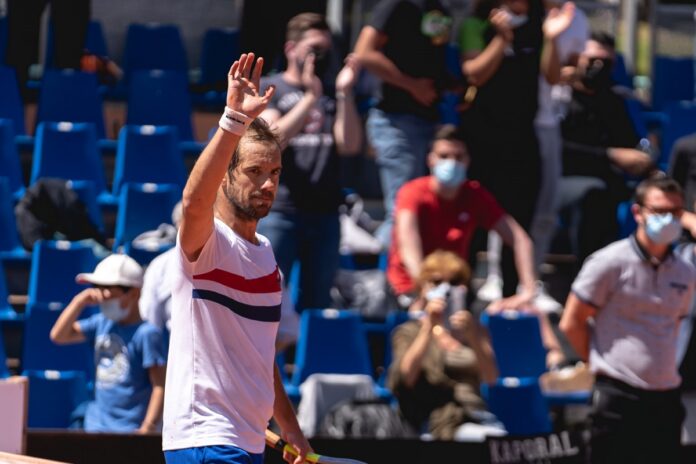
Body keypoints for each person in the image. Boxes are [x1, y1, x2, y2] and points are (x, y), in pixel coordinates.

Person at [162, 53, 311, 464]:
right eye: (254, 171)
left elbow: (259, 358)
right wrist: (233, 120)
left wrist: (291, 428)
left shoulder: (267, 258)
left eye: (274, 173)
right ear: (226, 175)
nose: (267, 184)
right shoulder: (208, 243)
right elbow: (193, 202)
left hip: (244, 442)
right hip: (207, 438)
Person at [559, 176, 695, 463]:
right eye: (659, 211)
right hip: (617, 396)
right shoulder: (609, 262)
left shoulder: (685, 272)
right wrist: (601, 365)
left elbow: (676, 325)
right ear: (638, 213)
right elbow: (572, 322)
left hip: (665, 398)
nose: (667, 220)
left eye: (675, 212)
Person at [458, 0, 574, 299]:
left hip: (522, 140)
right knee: (473, 225)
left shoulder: (538, 27)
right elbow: (474, 73)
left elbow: (552, 77)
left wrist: (551, 38)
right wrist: (502, 38)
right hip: (482, 141)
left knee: (518, 222)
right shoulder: (476, 25)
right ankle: (462, 300)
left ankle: (511, 298)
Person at [258, 12, 362, 310]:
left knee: (318, 302)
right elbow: (272, 140)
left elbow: (350, 144)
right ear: (291, 49)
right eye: (314, 49)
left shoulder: (332, 93)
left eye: (326, 50)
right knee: (266, 297)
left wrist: (344, 93)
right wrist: (309, 98)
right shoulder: (270, 88)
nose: (320, 57)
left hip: (325, 212)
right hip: (281, 210)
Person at [387, 124, 536, 312]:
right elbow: (408, 245)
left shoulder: (474, 195)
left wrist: (528, 290)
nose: (451, 163)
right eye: (444, 156)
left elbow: (520, 239)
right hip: (410, 289)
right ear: (430, 159)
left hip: (453, 288)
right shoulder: (412, 192)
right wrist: (425, 288)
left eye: (458, 157)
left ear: (467, 160)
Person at [353, 0, 452, 248]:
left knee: (424, 211)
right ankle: (386, 270)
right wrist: (412, 85)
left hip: (431, 121)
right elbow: (364, 51)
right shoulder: (397, 4)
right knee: (403, 210)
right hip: (395, 120)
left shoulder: (439, 7)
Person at [388, 250, 503, 440]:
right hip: (435, 420)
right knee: (491, 441)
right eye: (437, 282)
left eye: (455, 281)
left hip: (477, 415)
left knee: (502, 442)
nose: (446, 288)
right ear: (423, 287)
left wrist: (473, 337)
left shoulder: (474, 329)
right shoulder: (409, 331)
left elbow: (491, 378)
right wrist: (429, 326)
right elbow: (406, 378)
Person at [559, 33, 653, 263]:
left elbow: (631, 142)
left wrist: (642, 160)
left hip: (611, 180)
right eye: (592, 60)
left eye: (606, 62)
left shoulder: (614, 100)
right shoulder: (560, 97)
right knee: (594, 195)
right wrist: (610, 155)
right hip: (563, 177)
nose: (598, 67)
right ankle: (589, 271)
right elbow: (559, 149)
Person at [50, 253, 167, 433]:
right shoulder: (101, 323)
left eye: (108, 291)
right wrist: (79, 302)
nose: (102, 297)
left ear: (134, 293)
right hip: (94, 427)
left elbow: (159, 385)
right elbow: (59, 335)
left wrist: (147, 428)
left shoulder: (147, 334)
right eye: (98, 288)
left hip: (129, 431)